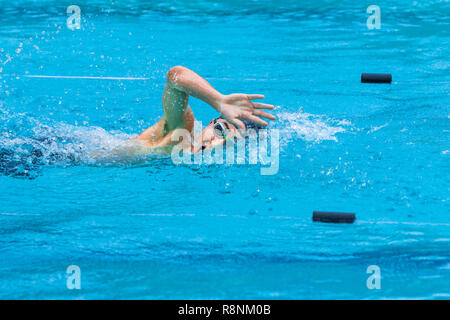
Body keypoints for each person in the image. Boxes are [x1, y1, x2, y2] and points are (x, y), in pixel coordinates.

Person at [130, 66, 276, 154]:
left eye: (227, 142)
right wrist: (219, 101)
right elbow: (175, 75)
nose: (216, 141)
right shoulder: (181, 130)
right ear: (211, 124)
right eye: (220, 130)